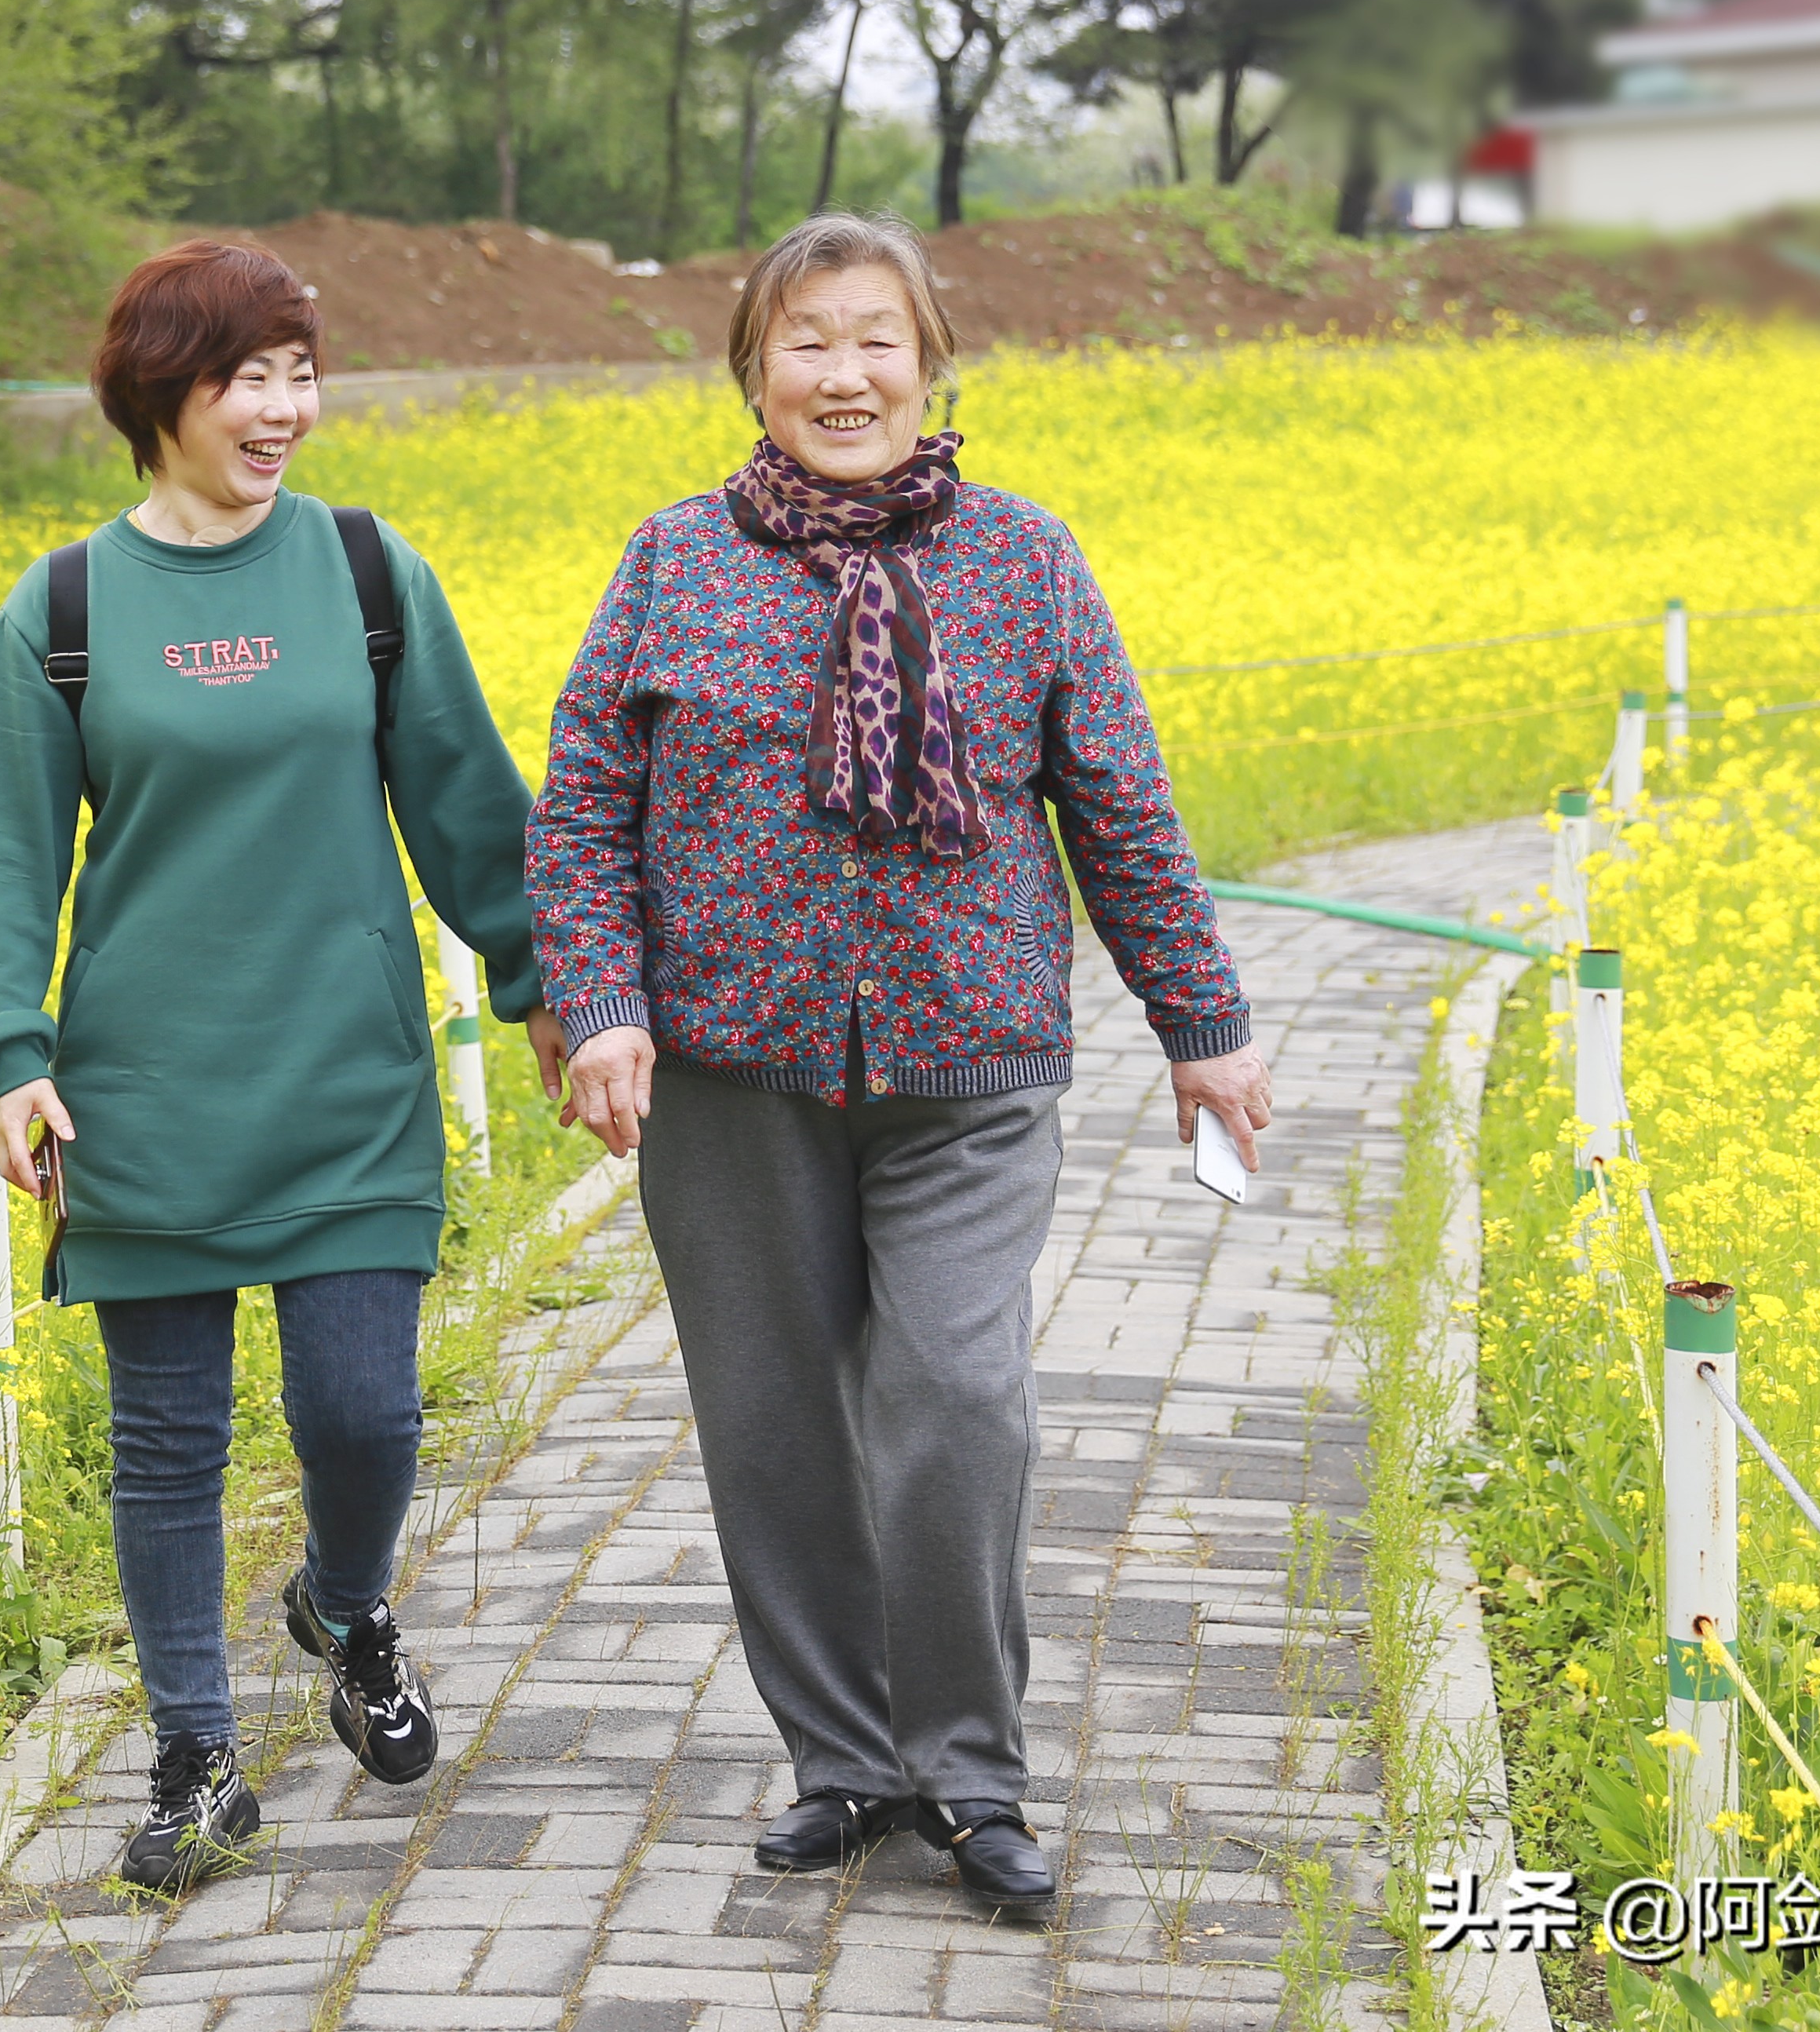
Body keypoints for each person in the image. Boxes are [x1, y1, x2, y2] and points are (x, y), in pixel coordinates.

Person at [525, 210, 1275, 1921]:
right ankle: (843, 1760)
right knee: (773, 1422)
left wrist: (1204, 1023)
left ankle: (972, 1768)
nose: (843, 372)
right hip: (731, 1070)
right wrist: (605, 996)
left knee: (957, 1399)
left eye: (876, 338)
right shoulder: (672, 557)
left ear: (933, 368)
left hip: (969, 1062)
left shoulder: (1023, 556)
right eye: (807, 340)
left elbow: (1121, 805)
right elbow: (580, 811)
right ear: (752, 371)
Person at [0, 239, 565, 1894]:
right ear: (161, 391)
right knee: (168, 1441)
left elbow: (462, 793)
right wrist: (5, 1054)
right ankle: (195, 1754)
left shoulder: (366, 573)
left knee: (360, 1407)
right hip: (143, 1087)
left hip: (346, 1072)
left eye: (303, 369)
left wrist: (541, 980)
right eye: (250, 375)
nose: (287, 406)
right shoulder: (64, 607)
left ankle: (348, 1607)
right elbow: (7, 853)